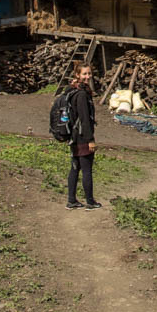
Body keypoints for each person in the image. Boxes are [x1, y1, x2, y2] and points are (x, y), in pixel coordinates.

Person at [66, 63, 100, 210]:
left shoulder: (72, 90)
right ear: (77, 75)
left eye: (89, 74)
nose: (87, 77)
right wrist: (90, 140)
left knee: (75, 167)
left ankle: (71, 200)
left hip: (73, 136)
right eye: (84, 74)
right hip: (81, 137)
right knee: (86, 169)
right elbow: (85, 119)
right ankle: (90, 202)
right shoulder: (81, 94)